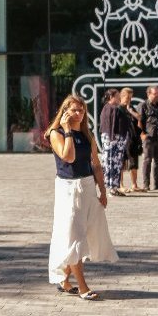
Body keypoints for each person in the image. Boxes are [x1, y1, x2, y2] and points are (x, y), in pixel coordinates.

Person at [46, 95, 115, 300]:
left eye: (81, 110)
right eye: (74, 110)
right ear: (65, 111)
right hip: (68, 189)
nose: (78, 114)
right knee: (74, 237)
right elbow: (68, 157)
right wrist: (67, 130)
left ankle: (64, 278)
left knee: (87, 233)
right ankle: (83, 287)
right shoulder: (55, 133)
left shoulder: (86, 134)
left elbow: (95, 164)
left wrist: (102, 190)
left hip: (87, 188)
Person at [98, 89, 135, 196]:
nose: (120, 98)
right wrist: (112, 138)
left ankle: (113, 187)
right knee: (111, 164)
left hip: (115, 140)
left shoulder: (111, 108)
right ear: (111, 97)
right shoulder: (111, 108)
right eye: (117, 96)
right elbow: (111, 124)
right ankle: (112, 188)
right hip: (113, 140)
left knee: (115, 164)